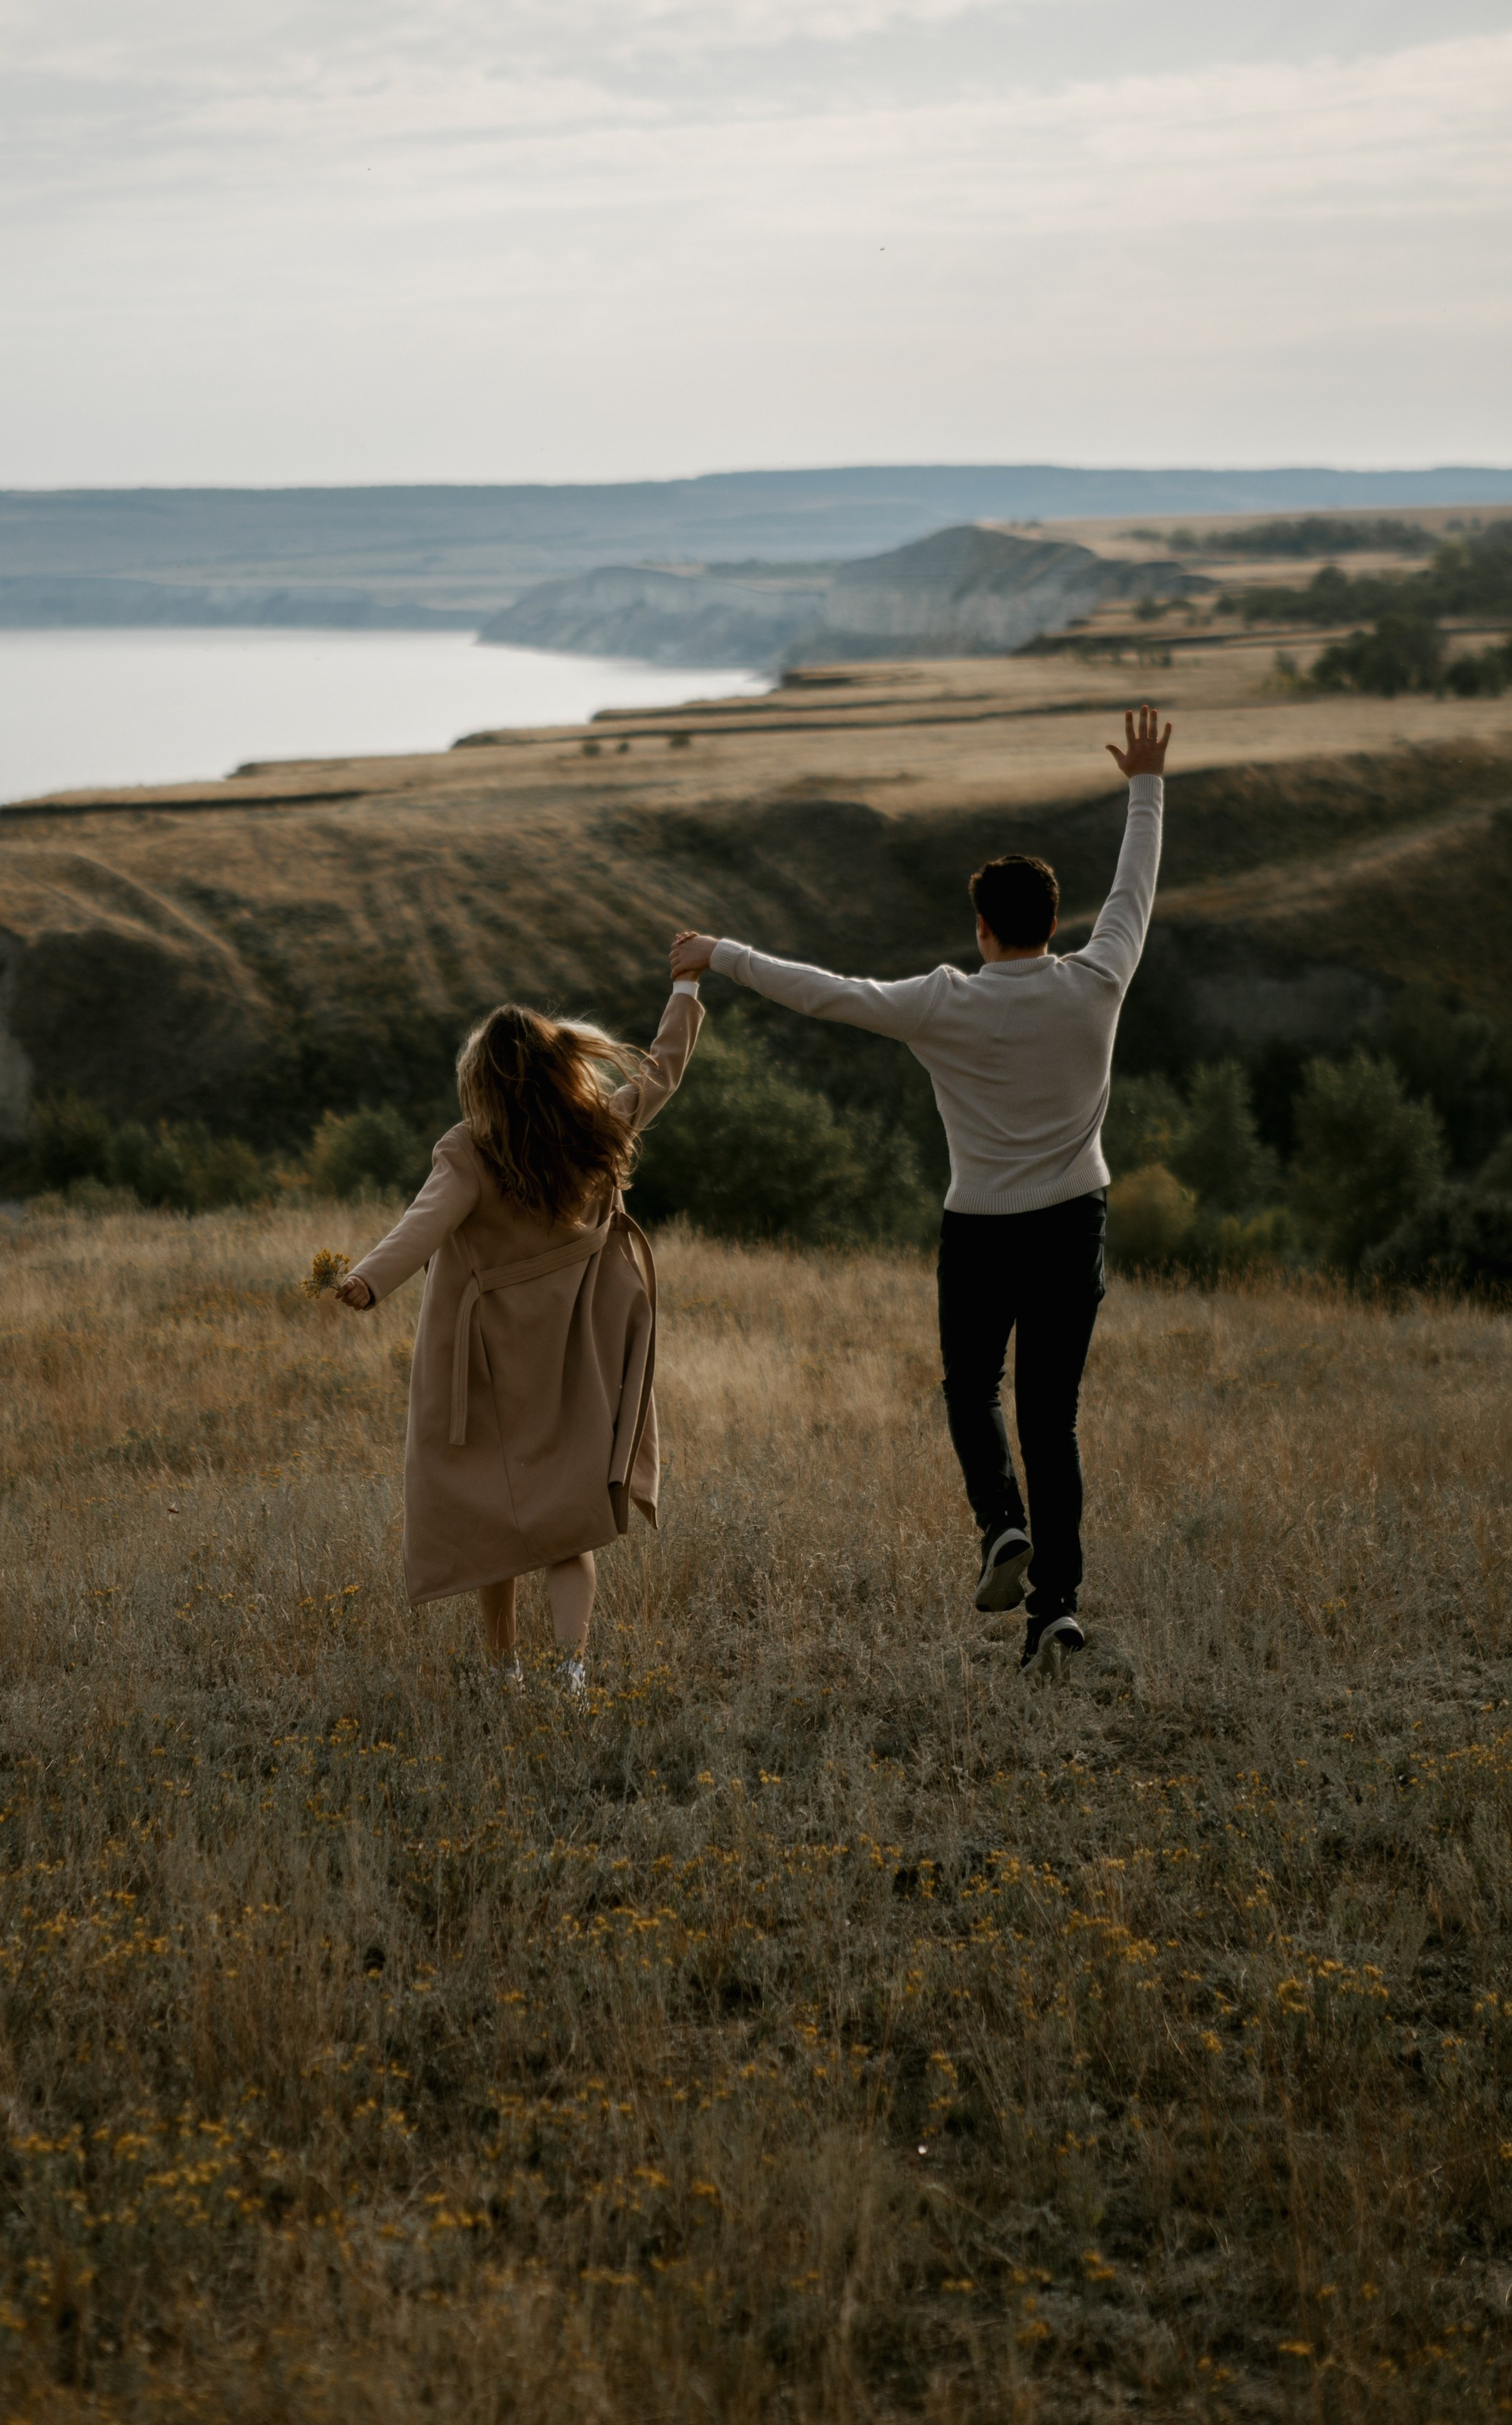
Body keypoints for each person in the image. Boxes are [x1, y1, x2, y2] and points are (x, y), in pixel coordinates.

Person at [668, 704, 1171, 1678]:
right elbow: (1134, 889)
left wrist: (720, 955)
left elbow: (826, 990)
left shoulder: (943, 1002)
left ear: (983, 930)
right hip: (1075, 1220)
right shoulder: (1099, 977)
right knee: (1051, 1418)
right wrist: (1144, 784)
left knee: (970, 1390)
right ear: (1051, 924)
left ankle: (999, 1524)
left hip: (981, 1229)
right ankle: (1056, 1611)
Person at [332, 970, 704, 1698]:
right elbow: (663, 1072)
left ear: (482, 1084)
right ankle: (570, 1675)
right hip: (576, 1356)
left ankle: (504, 1673)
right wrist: (687, 989)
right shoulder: (599, 1130)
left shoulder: (469, 1152)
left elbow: (423, 1224)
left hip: (494, 1367)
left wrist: (369, 1279)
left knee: (496, 1526)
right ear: (561, 1066)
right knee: (569, 1524)